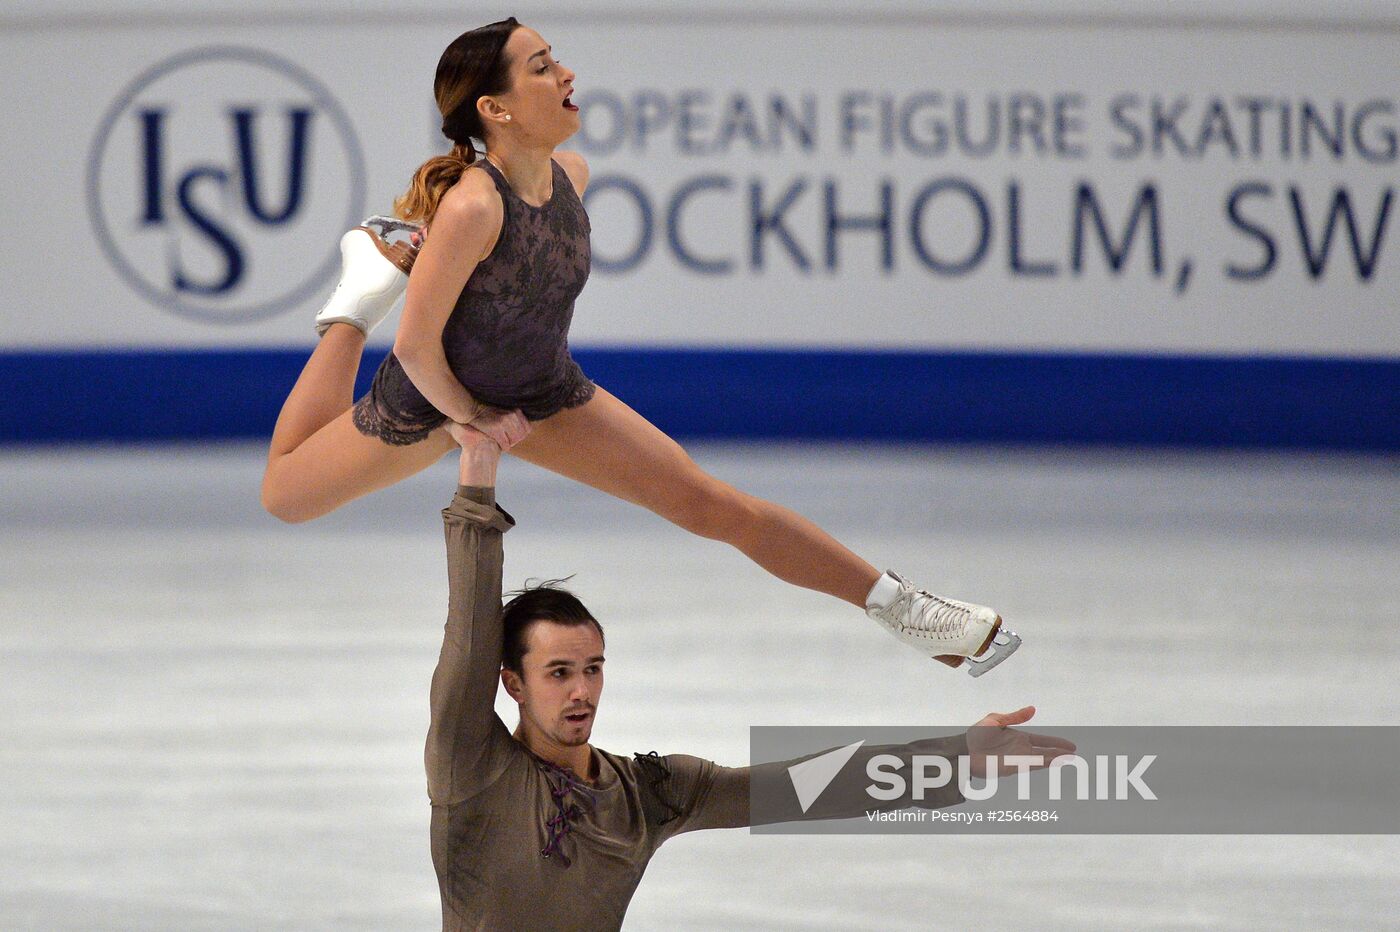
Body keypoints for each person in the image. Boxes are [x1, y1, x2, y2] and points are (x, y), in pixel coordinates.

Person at [259, 17, 1019, 676]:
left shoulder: (571, 177)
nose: (567, 73)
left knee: (710, 504)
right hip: (434, 400)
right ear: (495, 108)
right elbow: (420, 346)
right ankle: (354, 297)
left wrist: (506, 413)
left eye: (556, 58)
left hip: (544, 391)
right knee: (285, 496)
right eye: (542, 67)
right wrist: (468, 419)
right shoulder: (471, 208)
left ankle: (910, 611)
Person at [427, 423, 1071, 929]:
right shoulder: (473, 767)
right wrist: (476, 479)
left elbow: (802, 788)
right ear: (511, 681)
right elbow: (468, 635)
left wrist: (957, 761)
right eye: (559, 672)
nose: (581, 690)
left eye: (593, 669)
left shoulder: (647, 793)